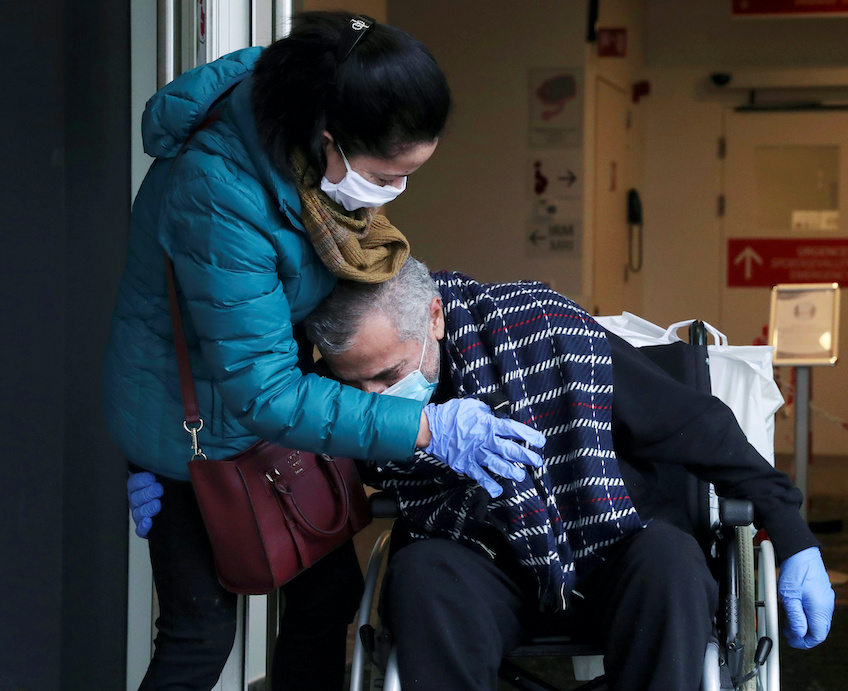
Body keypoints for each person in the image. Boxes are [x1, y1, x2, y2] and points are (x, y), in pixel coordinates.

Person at [106, 13, 543, 690]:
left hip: (260, 414)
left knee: (326, 591)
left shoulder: (305, 138)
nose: (395, 194)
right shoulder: (218, 193)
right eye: (388, 175)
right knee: (201, 635)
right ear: (331, 140)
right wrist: (428, 426)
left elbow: (311, 313)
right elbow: (265, 392)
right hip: (188, 435)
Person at [303, 257, 836, 691]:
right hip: (476, 553)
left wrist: (793, 537)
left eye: (388, 374)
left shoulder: (541, 329)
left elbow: (698, 425)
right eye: (356, 385)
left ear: (436, 319)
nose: (374, 400)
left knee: (672, 561)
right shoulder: (332, 393)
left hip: (603, 539)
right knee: (421, 575)